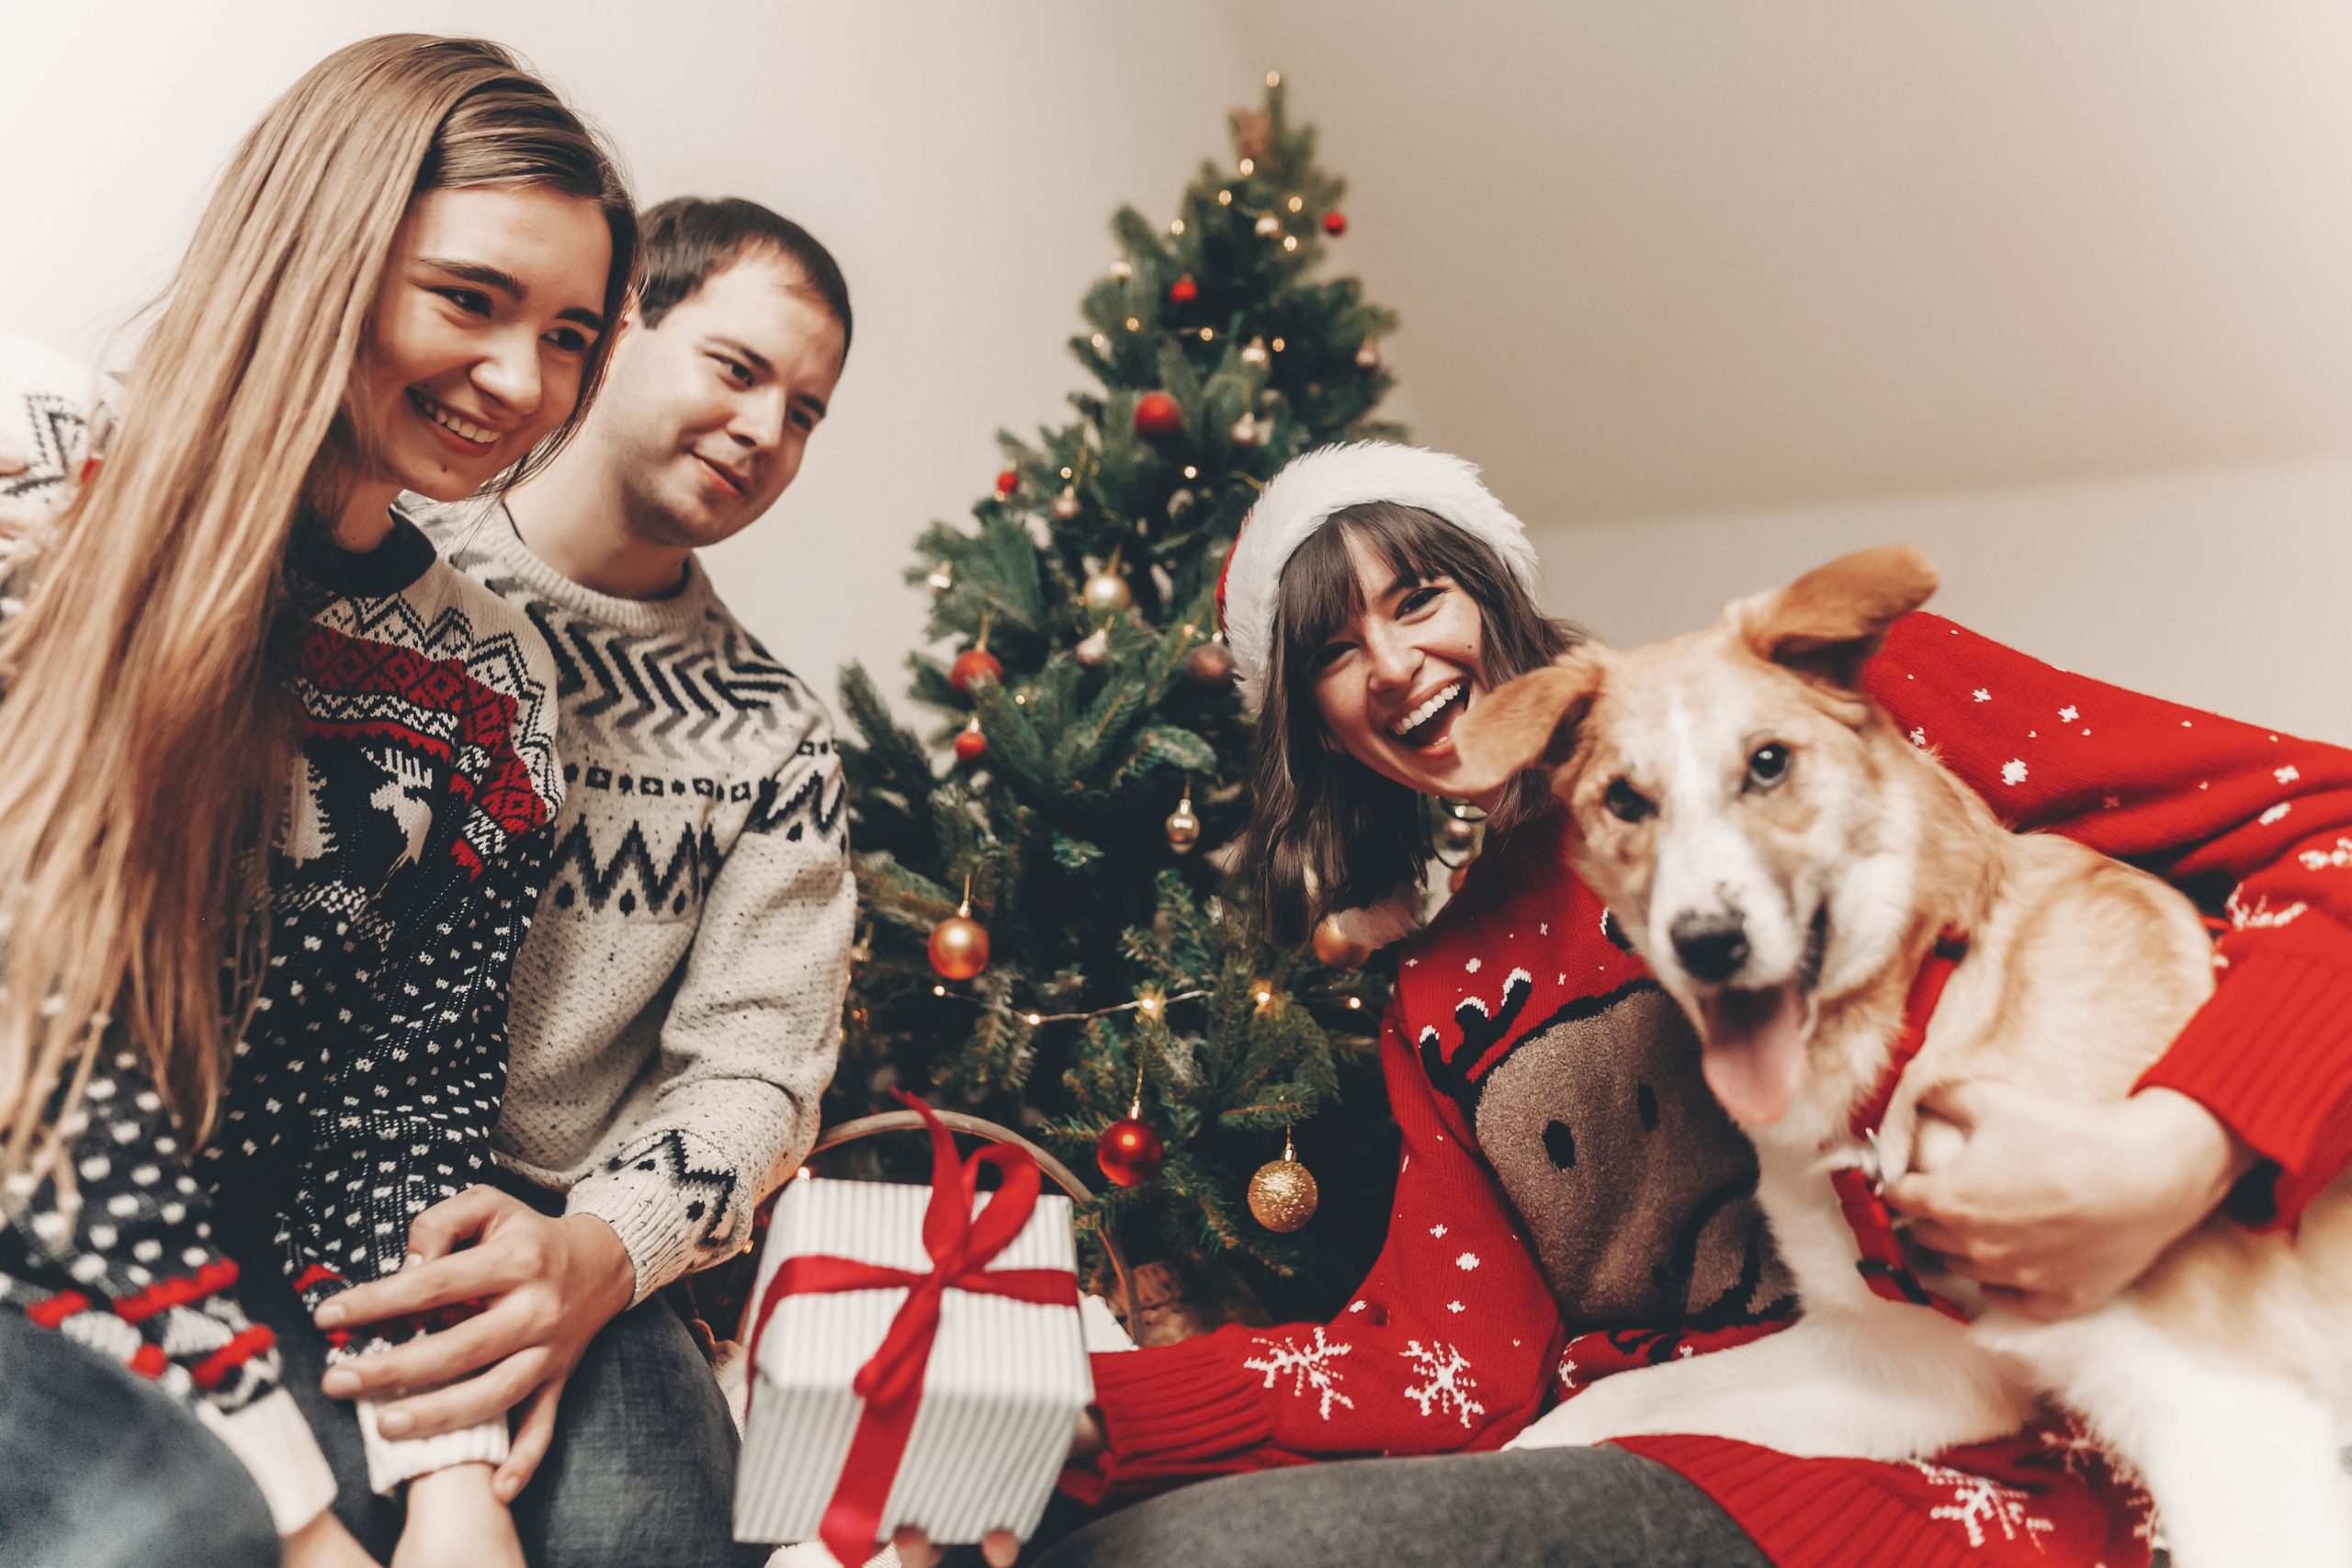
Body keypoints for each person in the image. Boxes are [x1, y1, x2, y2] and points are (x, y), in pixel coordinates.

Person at [1023, 441, 2352, 1568]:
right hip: (1807, 1417)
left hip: (2012, 1450)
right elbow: (1447, 1357)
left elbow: (2332, 827)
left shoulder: (1860, 702)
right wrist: (1093, 1405)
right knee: (1147, 1548)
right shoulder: (1437, 988)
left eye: (1418, 597)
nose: (1391, 662)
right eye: (1330, 650)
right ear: (1309, 718)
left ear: (1489, 585)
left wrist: (2177, 1146)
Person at [0, 35, 633, 1568]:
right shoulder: (42, 480)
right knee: (177, 1522)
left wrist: (450, 1477)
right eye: (470, 299)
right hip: (42, 1192)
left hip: (212, 1237)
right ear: (322, 251)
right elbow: (47, 1039)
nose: (521, 382)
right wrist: (296, 1510)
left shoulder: (493, 680)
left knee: (625, 1507)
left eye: (570, 335)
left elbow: (397, 1102)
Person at [295, 196, 856, 1567]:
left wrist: (598, 1255)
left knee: (655, 1536)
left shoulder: (774, 735)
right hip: (306, 1179)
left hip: (565, 1234)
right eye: (737, 369)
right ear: (608, 341)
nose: (765, 431)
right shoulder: (386, 563)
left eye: (805, 412)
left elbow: (760, 1075)